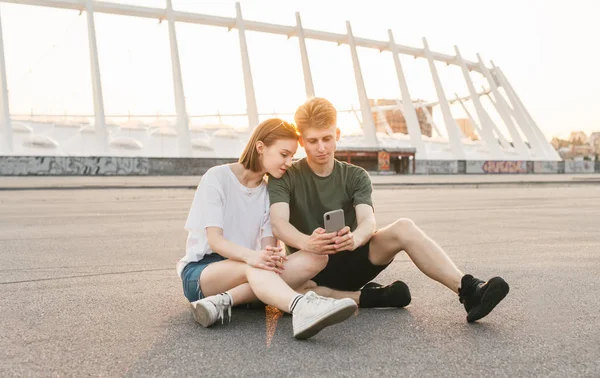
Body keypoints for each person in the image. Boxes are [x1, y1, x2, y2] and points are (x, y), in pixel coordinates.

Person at [267, 98, 509, 322]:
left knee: (404, 227)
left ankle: (468, 290)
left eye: (327, 138)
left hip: (355, 257)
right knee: (288, 291)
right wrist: (309, 243)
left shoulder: (355, 175)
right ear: (301, 141)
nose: (321, 147)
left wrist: (355, 239)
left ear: (337, 134)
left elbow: (367, 222)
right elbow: (279, 224)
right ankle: (369, 298)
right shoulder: (286, 176)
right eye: (312, 141)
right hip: (312, 267)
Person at [177, 118, 357, 339]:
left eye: (292, 156)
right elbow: (215, 240)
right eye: (284, 154)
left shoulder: (269, 193)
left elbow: (268, 253)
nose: (289, 162)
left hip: (250, 269)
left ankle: (222, 301)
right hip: (203, 271)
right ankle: (300, 307)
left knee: (317, 257)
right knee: (255, 267)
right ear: (260, 147)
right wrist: (254, 258)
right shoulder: (217, 177)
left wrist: (309, 243)